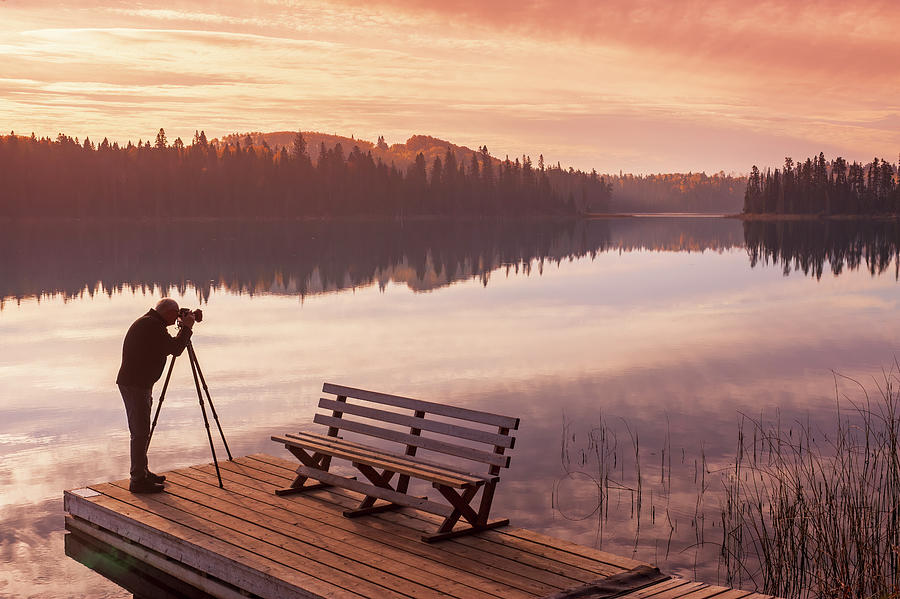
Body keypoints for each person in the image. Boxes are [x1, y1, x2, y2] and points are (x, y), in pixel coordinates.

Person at [116, 298, 195, 493]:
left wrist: (185, 328)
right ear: (168, 313)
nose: (176, 318)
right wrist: (186, 328)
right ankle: (137, 480)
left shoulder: (151, 323)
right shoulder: (152, 326)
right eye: (175, 315)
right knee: (140, 432)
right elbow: (176, 349)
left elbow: (170, 346)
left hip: (138, 383)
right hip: (136, 385)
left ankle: (142, 471)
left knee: (142, 430)